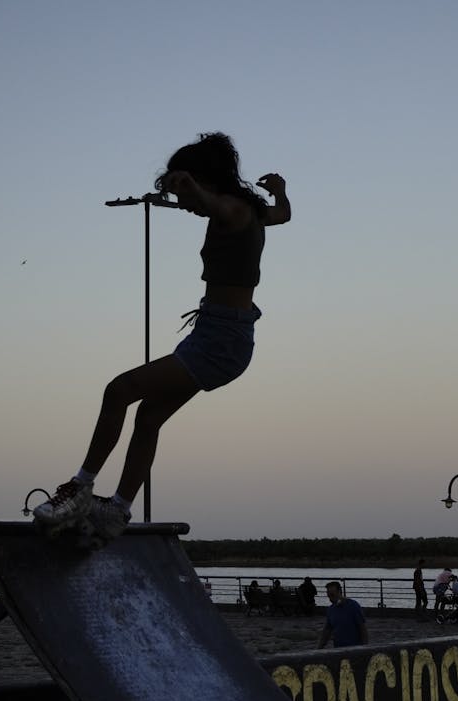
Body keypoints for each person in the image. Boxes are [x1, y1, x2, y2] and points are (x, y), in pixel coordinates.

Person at [32, 133, 291, 541]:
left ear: (203, 180)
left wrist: (190, 186)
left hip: (220, 340)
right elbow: (283, 215)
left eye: (182, 194)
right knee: (148, 417)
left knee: (119, 390)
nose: (182, 205)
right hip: (218, 335)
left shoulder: (232, 209)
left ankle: (80, 488)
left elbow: (212, 203)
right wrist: (280, 191)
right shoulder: (255, 211)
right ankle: (117, 510)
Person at [318, 581, 368, 648]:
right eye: (329, 596)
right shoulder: (331, 609)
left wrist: (364, 647)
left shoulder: (353, 606)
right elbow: (327, 630)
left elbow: (362, 628)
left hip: (354, 648)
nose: (330, 599)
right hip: (338, 649)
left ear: (339, 592)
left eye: (332, 595)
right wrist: (320, 647)